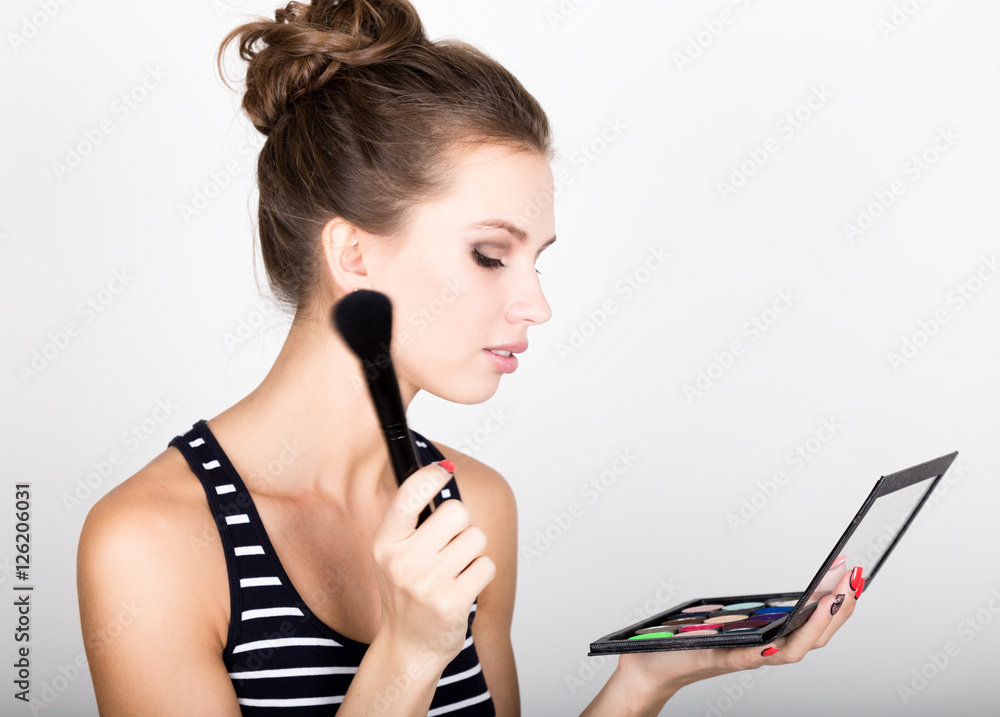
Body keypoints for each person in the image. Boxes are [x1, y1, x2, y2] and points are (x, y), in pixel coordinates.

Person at [76, 1, 863, 714]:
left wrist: (645, 681)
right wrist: (408, 653)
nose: (537, 305)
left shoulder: (474, 505)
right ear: (354, 255)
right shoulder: (149, 542)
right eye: (490, 254)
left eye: (537, 260)